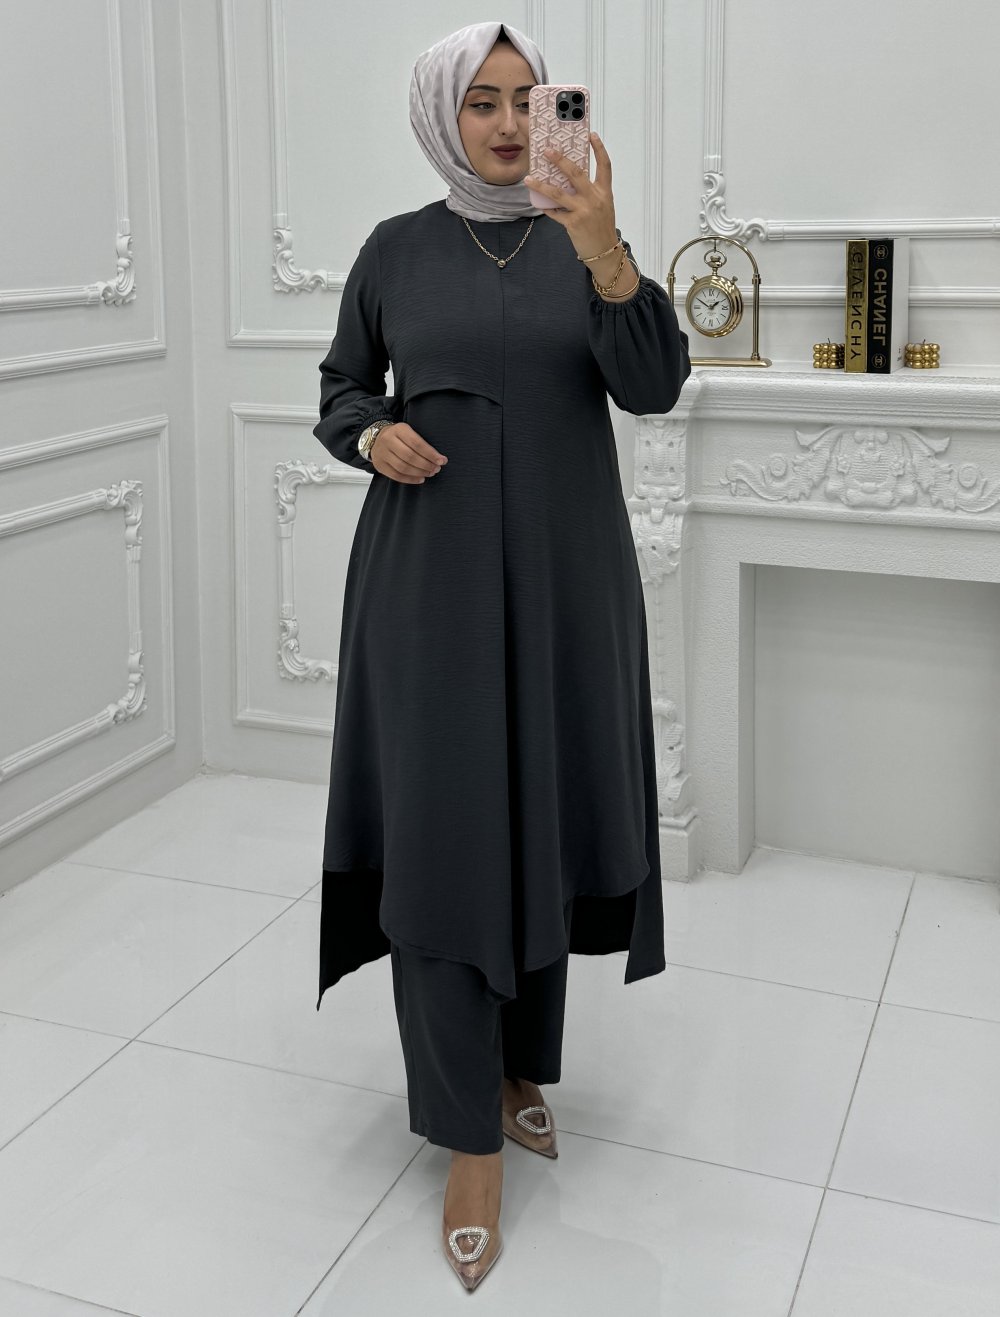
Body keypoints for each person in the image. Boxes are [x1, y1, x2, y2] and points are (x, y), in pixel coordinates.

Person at [312, 20, 691, 1292]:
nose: (511, 123)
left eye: (530, 99)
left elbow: (653, 387)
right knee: (446, 837)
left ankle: (520, 1067)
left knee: (543, 816)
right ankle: (465, 1136)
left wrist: (605, 247)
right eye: (482, 100)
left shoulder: (587, 239)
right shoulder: (395, 250)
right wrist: (370, 436)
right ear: (441, 114)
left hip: (570, 584)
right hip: (429, 590)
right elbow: (341, 389)